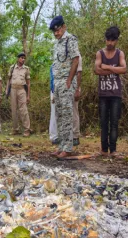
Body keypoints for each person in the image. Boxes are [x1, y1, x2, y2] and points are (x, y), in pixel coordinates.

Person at [49, 15, 80, 158]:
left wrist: (69, 80)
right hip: (58, 82)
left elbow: (75, 60)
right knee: (59, 115)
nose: (56, 33)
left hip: (67, 82)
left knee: (67, 115)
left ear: (64, 27)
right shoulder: (57, 44)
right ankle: (61, 145)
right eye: (54, 31)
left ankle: (68, 148)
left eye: (58, 29)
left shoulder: (70, 40)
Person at [94, 26, 127, 156]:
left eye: (112, 40)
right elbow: (97, 70)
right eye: (108, 40)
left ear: (116, 40)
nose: (110, 43)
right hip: (103, 93)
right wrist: (115, 68)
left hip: (115, 94)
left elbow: (124, 69)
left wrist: (106, 66)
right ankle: (103, 149)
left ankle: (113, 150)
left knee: (114, 122)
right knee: (103, 122)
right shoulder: (99, 53)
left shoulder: (120, 53)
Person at [49, 55, 82, 146]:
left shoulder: (76, 56)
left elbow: (79, 73)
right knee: (61, 113)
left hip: (73, 87)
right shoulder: (60, 57)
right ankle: (62, 137)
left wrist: (77, 89)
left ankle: (75, 136)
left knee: (74, 111)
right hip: (61, 88)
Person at [6, 52, 31, 137]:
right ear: (18, 59)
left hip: (22, 90)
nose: (23, 59)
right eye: (21, 58)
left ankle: (27, 129)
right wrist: (7, 91)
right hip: (13, 89)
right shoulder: (12, 68)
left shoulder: (26, 69)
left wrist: (28, 95)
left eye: (24, 58)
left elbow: (28, 83)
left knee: (23, 110)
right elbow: (9, 80)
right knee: (14, 110)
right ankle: (15, 129)